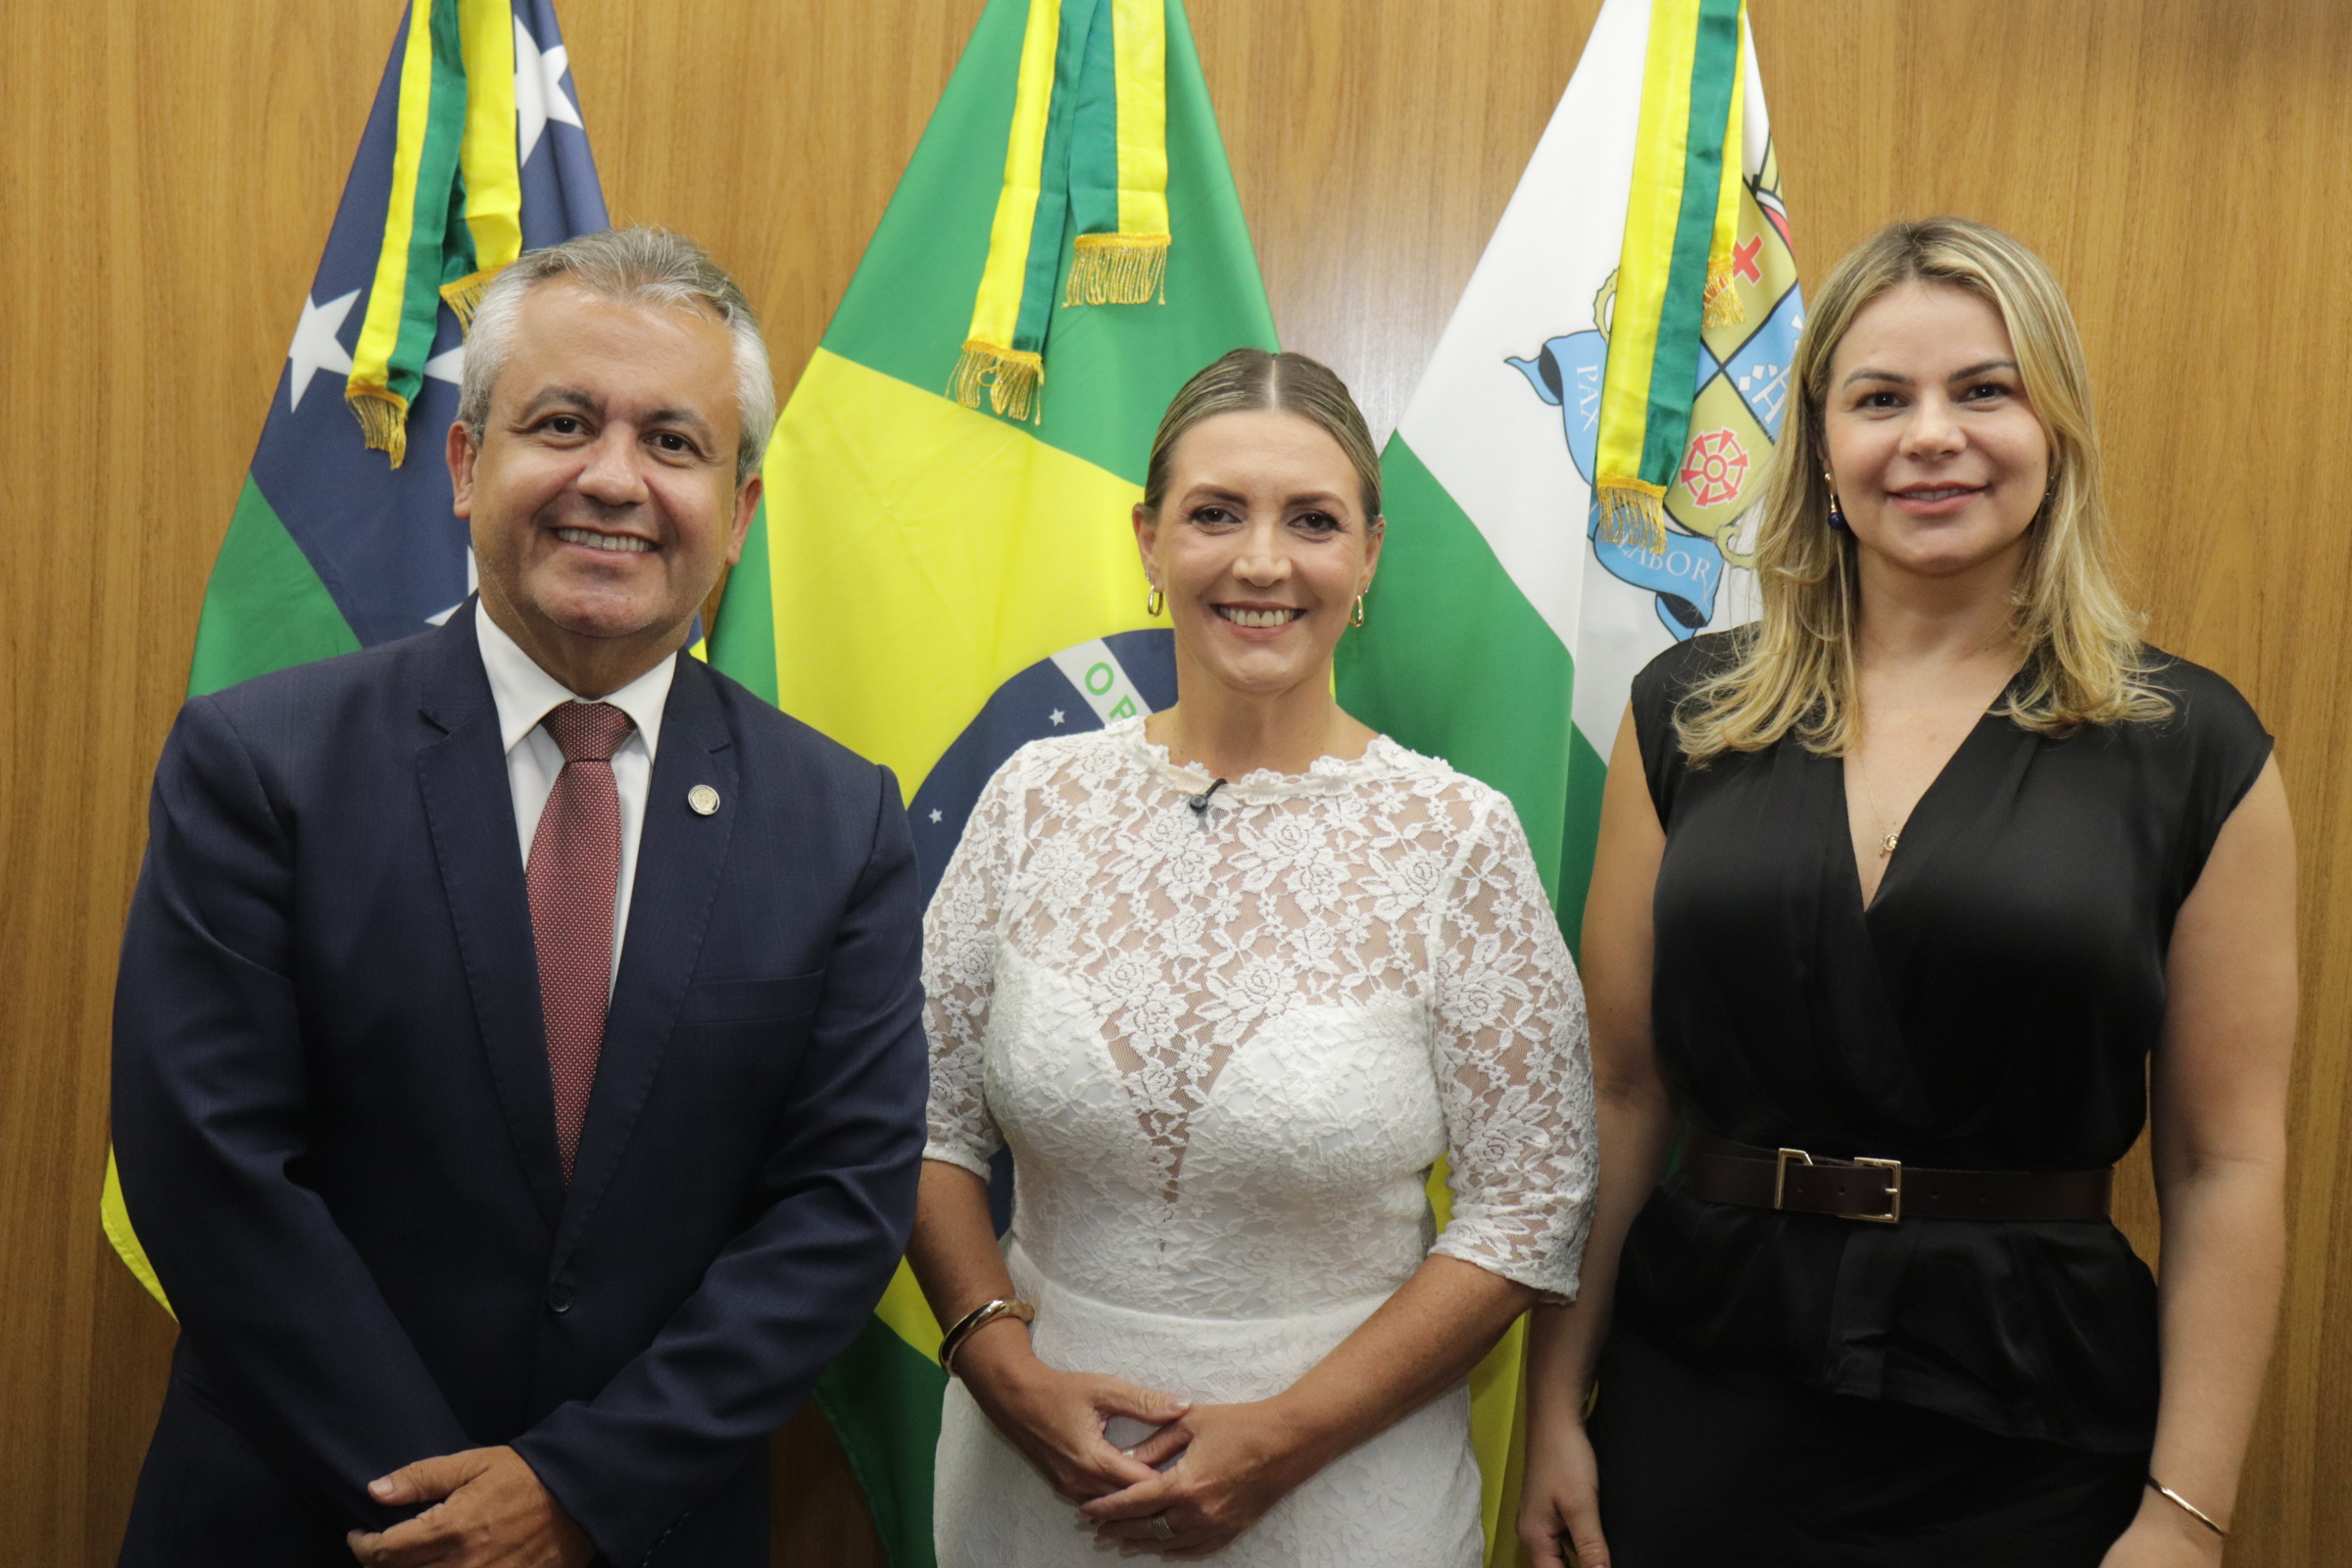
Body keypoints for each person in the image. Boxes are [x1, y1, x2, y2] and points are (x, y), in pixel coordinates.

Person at [111, 227, 929, 1568]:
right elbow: (209, 1172)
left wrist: (577, 1492)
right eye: (562, 423)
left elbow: (839, 1207)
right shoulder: (258, 764)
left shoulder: (841, 822)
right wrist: (442, 1517)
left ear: (739, 511)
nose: (613, 478)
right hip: (304, 1517)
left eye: (674, 442)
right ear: (464, 463)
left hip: (647, 1527)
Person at [1516, 217, 2295, 1568]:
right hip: (1699, 1399)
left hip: (2029, 1428)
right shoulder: (1686, 715)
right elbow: (1624, 1093)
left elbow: (2223, 1162)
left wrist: (2186, 1514)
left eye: (1983, 390)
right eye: (1881, 399)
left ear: (2055, 429)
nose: (1933, 435)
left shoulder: (2195, 748)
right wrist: (1549, 1409)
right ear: (1821, 447)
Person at [906, 347, 1597, 1566]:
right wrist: (996, 1361)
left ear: (1369, 555)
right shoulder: (1030, 802)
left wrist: (1280, 1440)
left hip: (1344, 1494)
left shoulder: (1457, 838)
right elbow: (924, 1126)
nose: (1263, 561)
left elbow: (1527, 1207)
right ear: (1149, 539)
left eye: (1313, 520)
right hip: (1028, 1486)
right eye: (1216, 513)